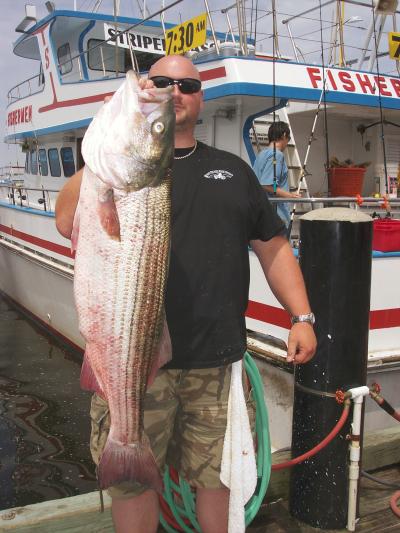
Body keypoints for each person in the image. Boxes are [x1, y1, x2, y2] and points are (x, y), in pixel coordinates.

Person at [55, 55, 317, 533]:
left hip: (214, 362)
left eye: (188, 85)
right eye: (161, 82)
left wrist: (302, 316)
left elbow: (274, 247)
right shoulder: (105, 174)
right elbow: (65, 220)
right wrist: (102, 162)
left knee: (216, 477)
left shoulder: (234, 172)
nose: (173, 91)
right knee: (133, 485)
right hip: (131, 363)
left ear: (200, 99)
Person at [252, 121, 301, 228]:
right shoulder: (277, 155)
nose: (288, 142)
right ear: (284, 135)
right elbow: (269, 185)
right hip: (275, 216)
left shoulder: (261, 155)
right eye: (288, 138)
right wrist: (291, 196)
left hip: (260, 214)